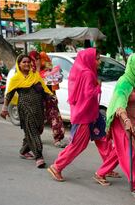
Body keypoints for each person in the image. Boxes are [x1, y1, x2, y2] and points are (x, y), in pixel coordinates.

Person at [47, 48, 116, 182]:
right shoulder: (87, 74)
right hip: (84, 116)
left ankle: (108, 168)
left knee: (102, 138)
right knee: (78, 144)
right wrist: (98, 87)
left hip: (92, 113)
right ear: (89, 59)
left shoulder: (83, 70)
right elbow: (88, 95)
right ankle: (57, 166)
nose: (99, 62)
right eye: (97, 59)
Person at [95, 53, 135, 190]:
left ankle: (100, 173)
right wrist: (126, 120)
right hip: (121, 120)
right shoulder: (124, 82)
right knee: (130, 152)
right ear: (132, 66)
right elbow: (119, 105)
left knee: (120, 150)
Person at [0, 55, 54, 168]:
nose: (26, 64)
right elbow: (9, 94)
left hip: (38, 107)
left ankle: (23, 150)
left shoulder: (35, 76)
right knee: (33, 132)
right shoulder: (16, 78)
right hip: (25, 108)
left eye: (28, 62)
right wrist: (4, 109)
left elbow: (44, 88)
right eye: (24, 62)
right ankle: (39, 156)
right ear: (19, 64)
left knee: (38, 129)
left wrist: (51, 96)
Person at [38, 51, 68, 148]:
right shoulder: (35, 72)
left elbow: (55, 84)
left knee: (55, 118)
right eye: (43, 60)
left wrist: (52, 73)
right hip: (39, 99)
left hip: (50, 98)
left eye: (46, 60)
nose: (46, 63)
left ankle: (58, 139)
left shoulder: (51, 71)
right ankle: (35, 137)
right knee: (39, 119)